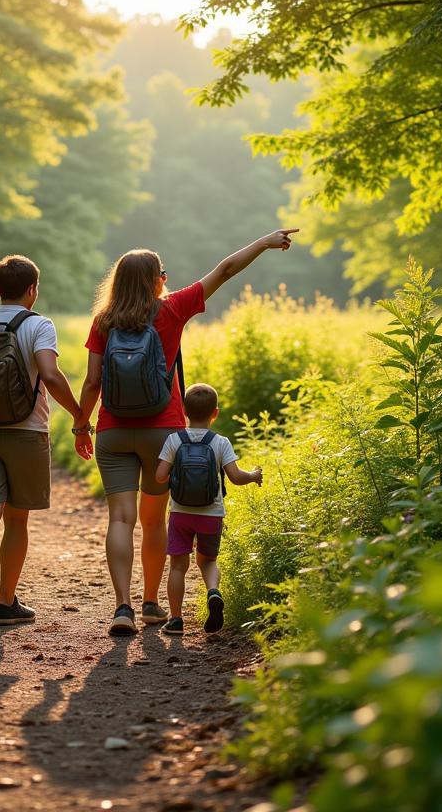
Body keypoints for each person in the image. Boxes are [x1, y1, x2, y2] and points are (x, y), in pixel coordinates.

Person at [73, 229, 298, 636]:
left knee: (120, 520)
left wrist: (80, 425)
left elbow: (92, 383)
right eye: (163, 272)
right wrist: (264, 242)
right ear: (155, 279)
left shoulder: (102, 322)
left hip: (113, 431)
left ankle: (122, 607)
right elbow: (225, 269)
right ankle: (150, 604)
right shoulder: (171, 309)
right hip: (163, 433)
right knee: (154, 521)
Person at [0, 255, 83, 631]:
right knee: (16, 519)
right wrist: (79, 415)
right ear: (32, 290)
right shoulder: (40, 326)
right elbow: (51, 375)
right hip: (28, 432)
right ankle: (5, 602)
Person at [154, 382, 262, 635]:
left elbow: (159, 477)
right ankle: (213, 591)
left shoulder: (174, 440)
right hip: (211, 514)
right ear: (215, 413)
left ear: (183, 411)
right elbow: (235, 477)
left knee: (178, 566)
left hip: (180, 513)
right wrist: (254, 475)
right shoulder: (220, 442)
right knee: (208, 561)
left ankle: (176, 620)